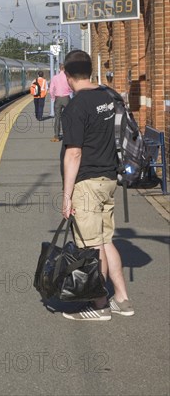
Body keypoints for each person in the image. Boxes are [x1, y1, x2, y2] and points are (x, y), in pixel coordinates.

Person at [59, 50, 134, 321]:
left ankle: (99, 304)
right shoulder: (108, 96)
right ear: (90, 70)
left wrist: (67, 196)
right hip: (109, 180)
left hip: (88, 184)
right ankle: (122, 299)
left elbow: (74, 153)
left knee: (91, 246)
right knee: (105, 240)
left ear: (66, 74)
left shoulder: (76, 106)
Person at [49, 64, 73, 142]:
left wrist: (53, 97)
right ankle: (69, 135)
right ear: (65, 69)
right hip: (66, 98)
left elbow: (51, 90)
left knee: (57, 118)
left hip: (58, 99)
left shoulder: (54, 78)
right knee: (68, 117)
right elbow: (71, 88)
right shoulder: (68, 77)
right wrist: (69, 91)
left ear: (59, 69)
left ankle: (56, 136)